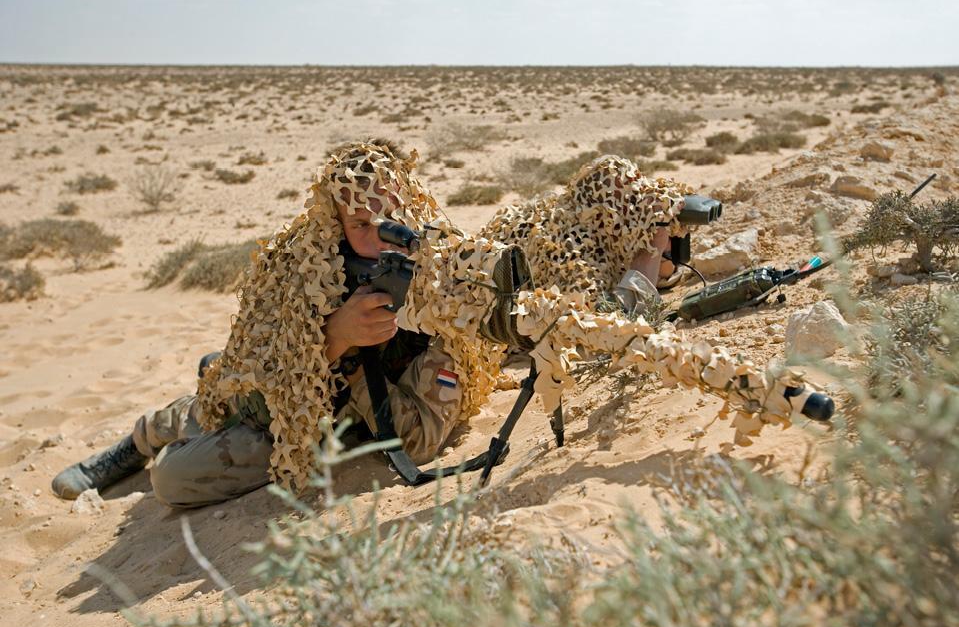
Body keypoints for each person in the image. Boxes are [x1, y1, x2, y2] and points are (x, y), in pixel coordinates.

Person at [52, 140, 468, 507]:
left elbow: (418, 443)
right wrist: (334, 338)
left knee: (170, 478)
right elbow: (260, 375)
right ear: (335, 224)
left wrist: (359, 369)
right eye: (360, 224)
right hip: (285, 413)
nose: (379, 238)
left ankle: (171, 422)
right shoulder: (301, 267)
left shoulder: (440, 286)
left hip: (340, 428)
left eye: (390, 219)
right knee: (218, 398)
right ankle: (138, 440)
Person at [478, 154, 692, 316]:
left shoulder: (593, 225)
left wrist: (664, 243)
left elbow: (667, 277)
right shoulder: (577, 248)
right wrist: (653, 246)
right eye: (629, 203)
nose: (635, 213)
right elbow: (613, 319)